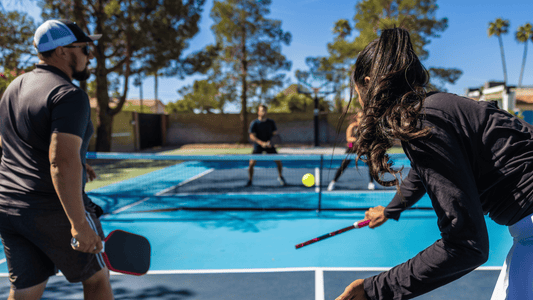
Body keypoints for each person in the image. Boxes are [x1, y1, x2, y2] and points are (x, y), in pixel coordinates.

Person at [335, 27, 533, 300]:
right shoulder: (435, 109)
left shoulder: (424, 121)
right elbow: (422, 172)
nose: (358, 102)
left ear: (368, 83)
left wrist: (375, 290)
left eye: (356, 92)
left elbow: (466, 244)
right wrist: (391, 209)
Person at [0, 20, 113, 299]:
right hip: (52, 208)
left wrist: (79, 160)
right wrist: (79, 224)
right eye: (85, 48)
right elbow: (60, 161)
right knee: (98, 279)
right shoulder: (69, 95)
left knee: (25, 290)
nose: (90, 54)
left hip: (10, 207)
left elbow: (15, 143)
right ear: (62, 51)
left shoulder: (15, 87)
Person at [328, 111, 375, 191]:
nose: (362, 118)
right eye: (360, 117)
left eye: (363, 117)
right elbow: (348, 138)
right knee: (343, 165)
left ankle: (371, 183)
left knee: (371, 165)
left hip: (363, 149)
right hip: (352, 149)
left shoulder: (367, 127)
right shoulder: (352, 126)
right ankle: (333, 182)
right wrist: (358, 139)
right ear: (357, 118)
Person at [246, 104, 286, 187]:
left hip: (269, 146)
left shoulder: (271, 122)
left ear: (266, 112)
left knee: (279, 162)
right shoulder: (254, 123)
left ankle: (280, 176)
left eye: (264, 110)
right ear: (258, 112)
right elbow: (252, 136)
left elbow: (275, 134)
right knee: (251, 164)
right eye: (261, 110)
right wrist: (261, 143)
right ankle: (250, 180)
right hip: (258, 146)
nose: (263, 112)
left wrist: (270, 142)